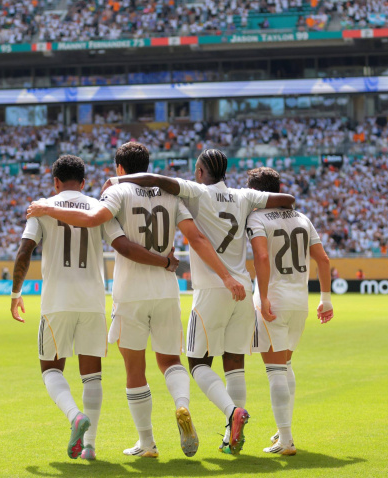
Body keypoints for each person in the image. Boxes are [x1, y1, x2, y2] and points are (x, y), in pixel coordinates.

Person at [27, 142, 243, 458]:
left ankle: (147, 443)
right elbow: (195, 237)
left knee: (135, 368)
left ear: (119, 168)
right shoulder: (171, 195)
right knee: (171, 361)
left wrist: (48, 208)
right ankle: (182, 406)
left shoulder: (117, 191)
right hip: (167, 290)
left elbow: (97, 221)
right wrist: (216, 273)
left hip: (130, 293)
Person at [88, 149, 296, 455]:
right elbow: (287, 200)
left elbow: (156, 187)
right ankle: (229, 436)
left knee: (195, 363)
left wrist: (115, 179)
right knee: (233, 364)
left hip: (206, 288)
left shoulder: (193, 191)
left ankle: (225, 414)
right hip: (238, 287)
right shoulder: (243, 196)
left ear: (199, 172)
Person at [11, 155, 177, 461]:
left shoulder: (41, 206)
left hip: (56, 301)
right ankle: (89, 446)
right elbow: (123, 245)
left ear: (56, 181)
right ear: (83, 182)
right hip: (92, 301)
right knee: (92, 376)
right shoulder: (98, 206)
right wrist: (166, 261)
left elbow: (25, 251)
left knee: (50, 369)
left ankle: (74, 415)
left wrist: (15, 292)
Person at [245, 167, 333, 455]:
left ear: (256, 193)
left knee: (274, 371)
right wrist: (327, 299)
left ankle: (286, 440)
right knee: (286, 367)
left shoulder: (257, 217)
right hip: (300, 302)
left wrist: (265, 297)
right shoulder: (302, 217)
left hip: (273, 301)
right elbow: (323, 259)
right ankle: (283, 431)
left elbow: (261, 256)